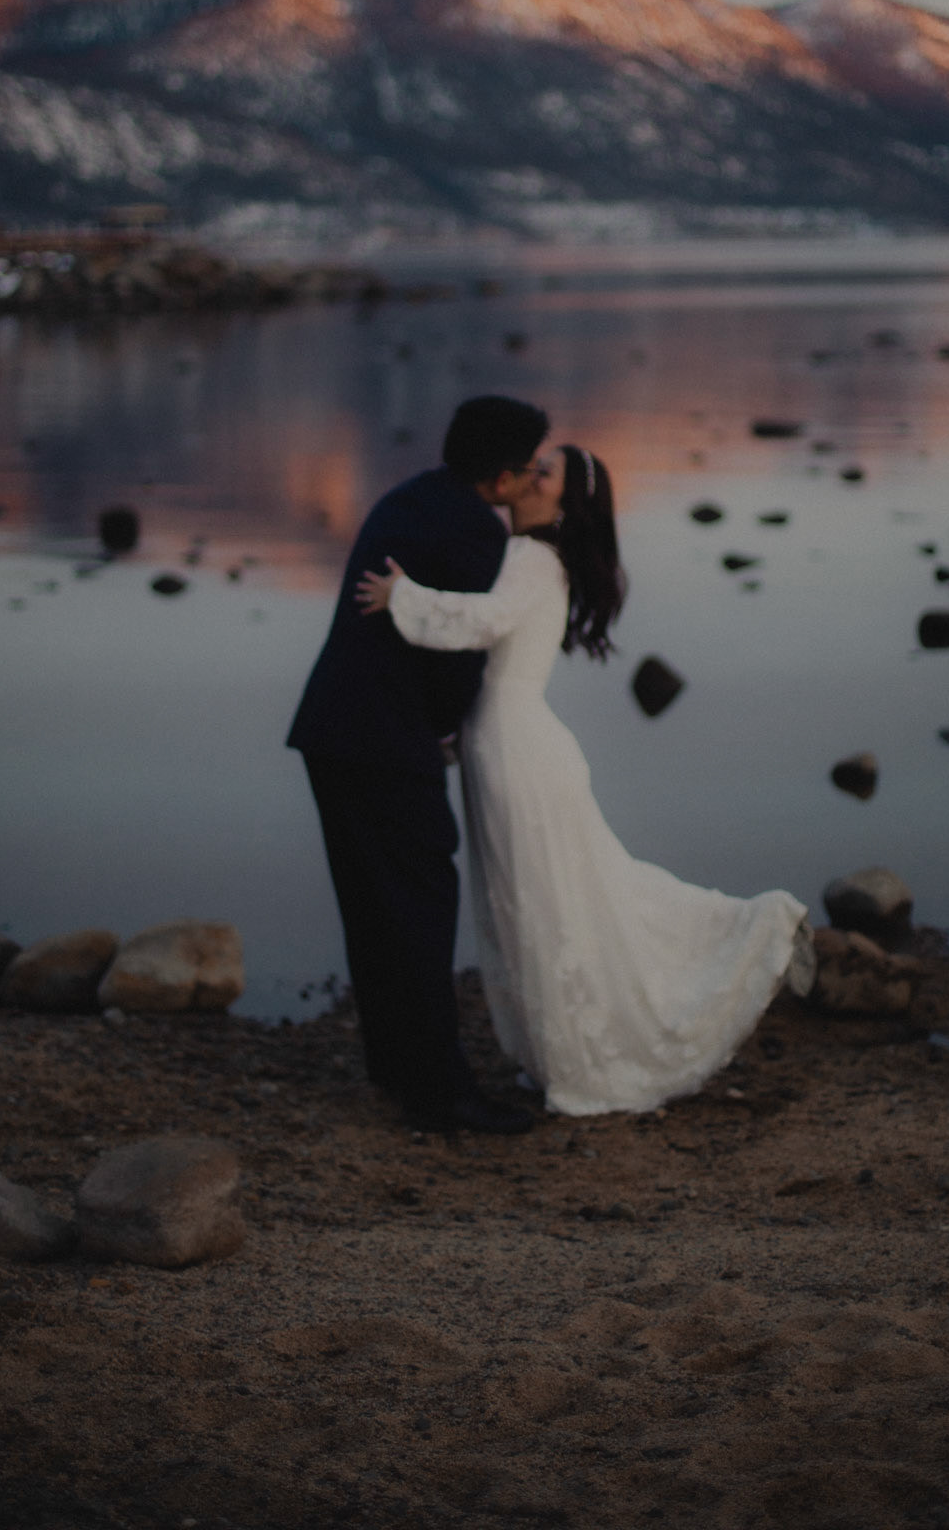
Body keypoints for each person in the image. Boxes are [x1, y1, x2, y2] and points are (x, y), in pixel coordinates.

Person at [356, 445, 812, 1117]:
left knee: (550, 903)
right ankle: (556, 1054)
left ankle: (600, 1048)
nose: (525, 475)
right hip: (502, 744)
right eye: (533, 463)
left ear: (562, 503)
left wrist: (404, 598)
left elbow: (484, 622)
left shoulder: (535, 559)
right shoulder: (532, 557)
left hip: (520, 754)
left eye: (544, 474)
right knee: (535, 900)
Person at [287, 395, 550, 1135]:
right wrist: (442, 730)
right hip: (382, 738)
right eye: (529, 470)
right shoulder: (472, 528)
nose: (532, 482)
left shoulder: (410, 496)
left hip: (332, 730)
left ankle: (395, 1068)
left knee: (372, 911)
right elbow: (454, 652)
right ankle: (442, 1094)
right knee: (420, 908)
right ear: (501, 478)